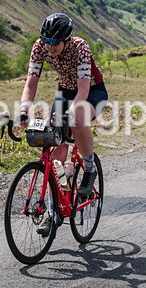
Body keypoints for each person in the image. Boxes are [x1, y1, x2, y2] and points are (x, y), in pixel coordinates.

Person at [17, 13, 108, 235]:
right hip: (64, 92)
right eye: (46, 41)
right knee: (56, 154)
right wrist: (22, 111)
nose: (49, 47)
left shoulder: (81, 48)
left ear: (66, 39)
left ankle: (89, 167)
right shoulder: (39, 47)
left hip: (92, 91)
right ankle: (53, 211)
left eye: (54, 42)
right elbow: (31, 83)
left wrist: (70, 112)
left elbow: (84, 90)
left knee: (77, 119)